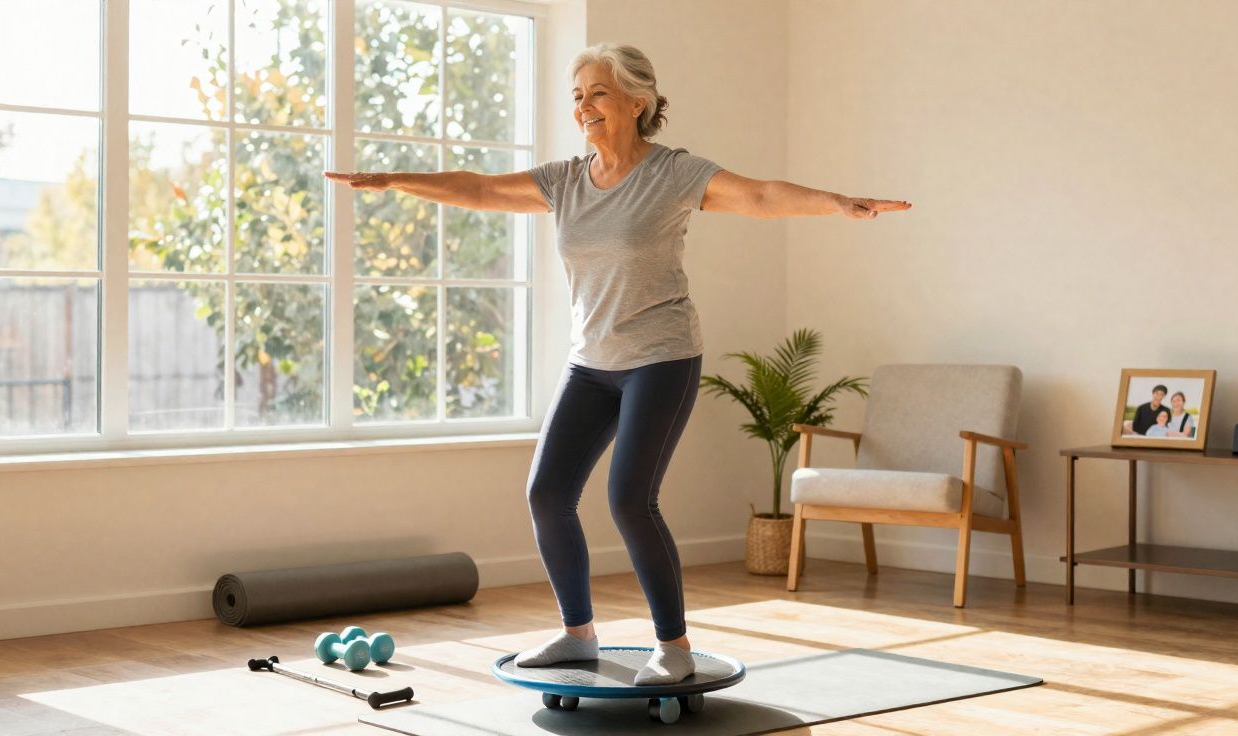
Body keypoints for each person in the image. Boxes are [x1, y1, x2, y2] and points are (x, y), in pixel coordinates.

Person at [326, 42, 910, 686]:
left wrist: (840, 202)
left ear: (638, 102)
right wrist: (394, 179)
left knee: (631, 500)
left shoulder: (673, 174)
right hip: (591, 363)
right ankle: (578, 635)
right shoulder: (565, 181)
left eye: (598, 93)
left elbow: (761, 196)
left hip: (661, 358)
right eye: (577, 96)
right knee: (548, 494)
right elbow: (482, 188)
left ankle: (674, 647)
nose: (584, 106)